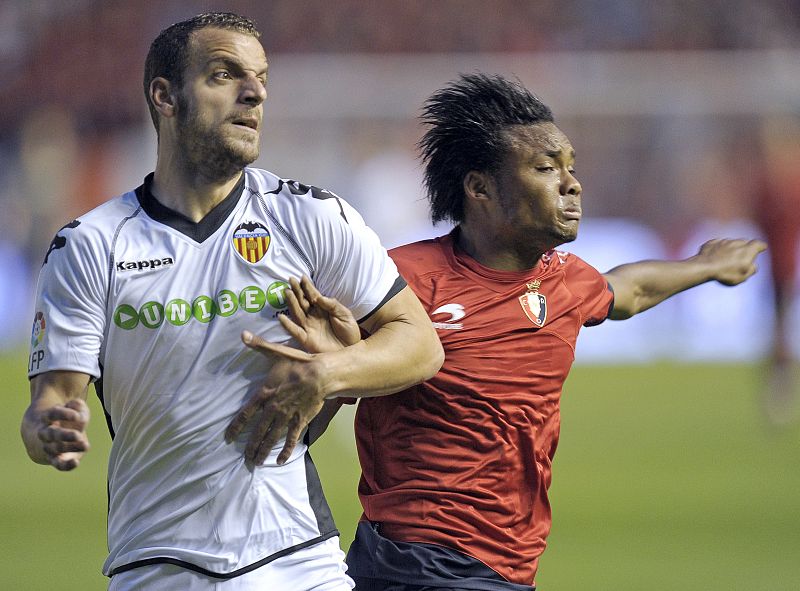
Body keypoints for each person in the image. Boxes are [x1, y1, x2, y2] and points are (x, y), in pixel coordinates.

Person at [274, 73, 765, 591]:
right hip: (417, 562)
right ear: (480, 187)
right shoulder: (402, 283)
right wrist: (324, 376)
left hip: (506, 565)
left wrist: (706, 266)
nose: (571, 183)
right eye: (545, 168)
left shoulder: (563, 280)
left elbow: (629, 289)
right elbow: (308, 410)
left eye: (570, 168)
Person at [20, 12, 442, 591]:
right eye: (225, 74)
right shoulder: (90, 245)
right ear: (165, 96)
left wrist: (327, 373)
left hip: (298, 559)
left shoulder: (310, 218)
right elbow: (50, 405)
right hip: (157, 564)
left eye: (260, 77)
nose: (255, 92)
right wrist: (49, 430)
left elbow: (420, 344)